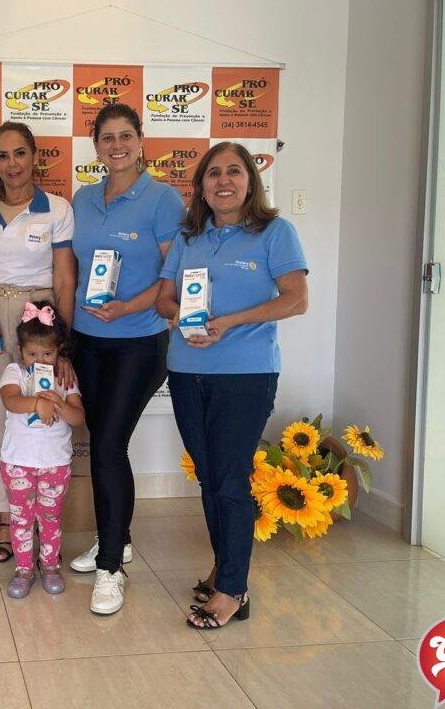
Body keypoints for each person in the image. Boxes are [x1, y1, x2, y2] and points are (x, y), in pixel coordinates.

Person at [155, 141, 308, 629]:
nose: (224, 181)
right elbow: (164, 299)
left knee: (230, 479)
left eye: (234, 171)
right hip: (186, 370)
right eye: (214, 173)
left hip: (246, 373)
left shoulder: (275, 232)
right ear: (201, 185)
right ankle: (225, 570)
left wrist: (229, 322)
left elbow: (296, 299)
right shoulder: (188, 237)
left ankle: (233, 589)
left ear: (250, 181)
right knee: (208, 475)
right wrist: (181, 316)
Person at [69, 103, 184, 615]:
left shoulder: (162, 199)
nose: (116, 145)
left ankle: (111, 567)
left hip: (139, 340)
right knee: (103, 445)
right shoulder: (84, 199)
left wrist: (127, 308)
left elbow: (173, 278)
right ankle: (116, 538)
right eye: (107, 137)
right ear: (96, 146)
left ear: (140, 141)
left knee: (109, 446)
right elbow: (73, 268)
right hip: (88, 338)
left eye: (125, 136)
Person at [0, 121, 75, 564]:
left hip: (39, 316)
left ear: (34, 157)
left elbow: (64, 278)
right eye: (2, 156)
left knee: (45, 406)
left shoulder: (57, 209)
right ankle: (9, 515)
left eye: (20, 153)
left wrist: (64, 343)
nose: (12, 164)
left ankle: (45, 513)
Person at [0, 302, 85, 598]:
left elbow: (78, 417)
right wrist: (37, 403)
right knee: (21, 518)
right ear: (20, 351)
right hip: (18, 462)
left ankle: (49, 565)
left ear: (58, 351)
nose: (39, 360)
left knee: (50, 517)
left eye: (47, 354)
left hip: (55, 463)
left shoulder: (63, 378)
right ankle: (23, 569)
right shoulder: (14, 372)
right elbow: (10, 400)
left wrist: (59, 403)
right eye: (32, 354)